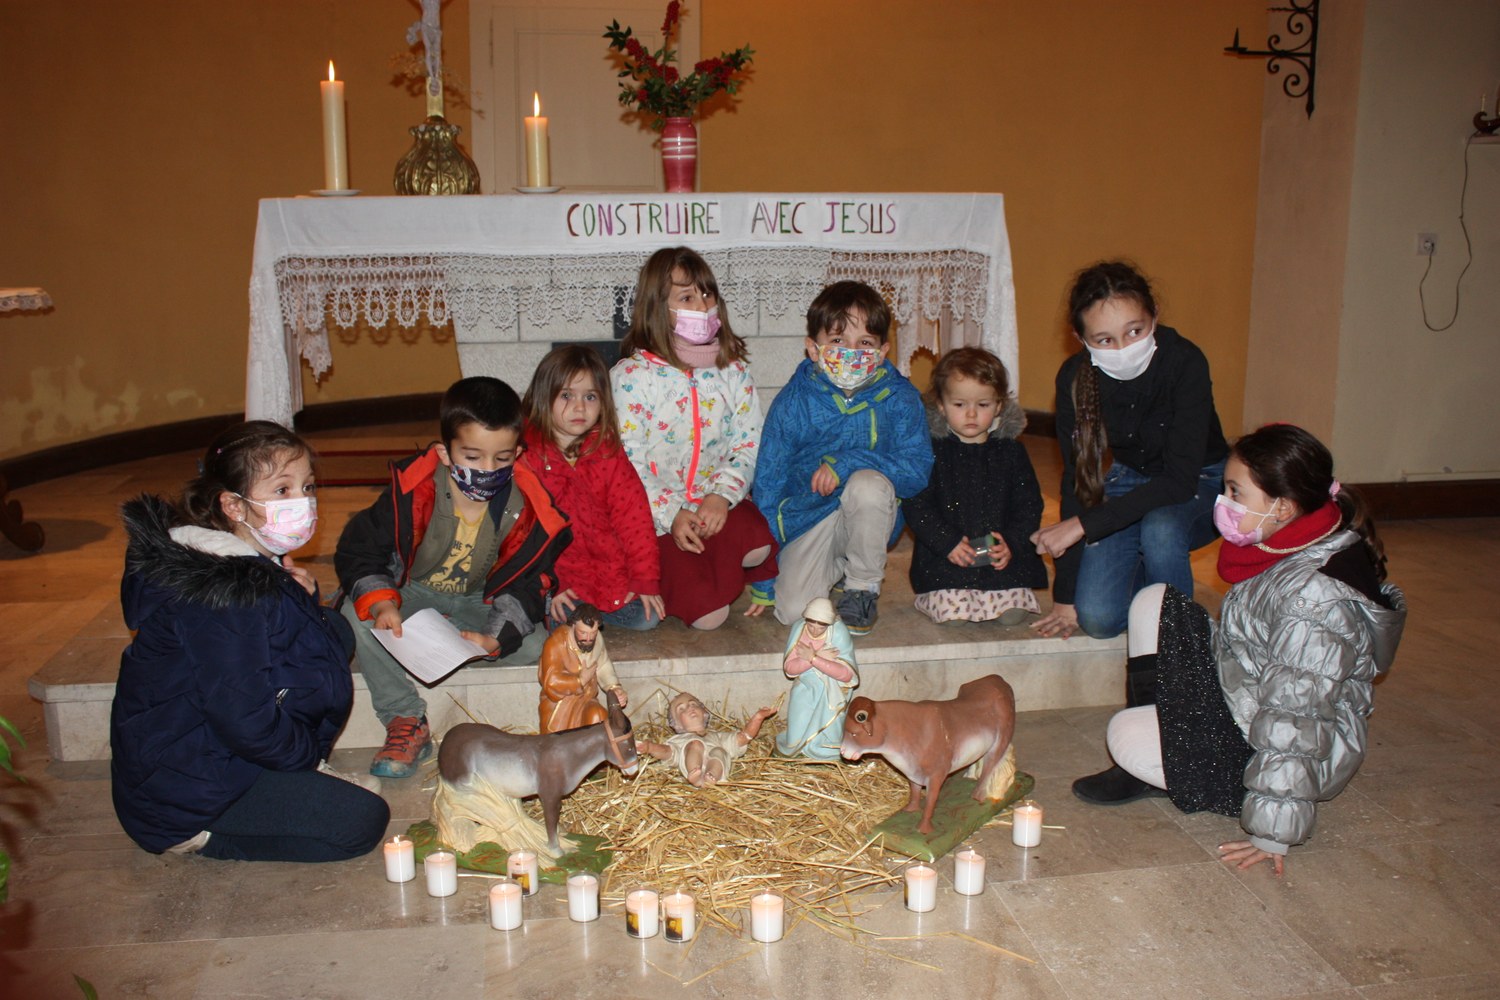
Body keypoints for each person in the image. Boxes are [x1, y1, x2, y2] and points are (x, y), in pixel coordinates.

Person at [1073, 424, 1407, 876]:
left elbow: (1297, 718)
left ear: (1282, 506)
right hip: (1246, 691)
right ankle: (1166, 747)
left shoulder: (1314, 600)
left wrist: (1272, 832)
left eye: (1236, 492)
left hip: (1280, 747)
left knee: (1126, 736)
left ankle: (1170, 761)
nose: (1224, 502)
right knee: (1154, 602)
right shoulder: (1289, 538)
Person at [111, 421, 389, 861]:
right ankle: (204, 837)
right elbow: (243, 718)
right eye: (282, 490)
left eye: (307, 486)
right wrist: (304, 758)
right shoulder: (223, 594)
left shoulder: (234, 562)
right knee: (362, 822)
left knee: (330, 629)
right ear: (234, 506)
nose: (303, 501)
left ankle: (291, 774)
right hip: (183, 788)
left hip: (212, 745)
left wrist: (297, 597)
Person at [336, 377, 570, 778]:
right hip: (413, 590)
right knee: (355, 617)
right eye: (473, 457)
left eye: (502, 458)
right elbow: (360, 549)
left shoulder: (526, 506)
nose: (488, 470)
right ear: (446, 452)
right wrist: (383, 602)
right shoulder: (413, 490)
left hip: (479, 599)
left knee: (536, 645)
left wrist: (495, 637)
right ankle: (405, 716)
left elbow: (529, 581)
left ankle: (448, 640)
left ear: (517, 453)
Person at [1030, 261, 1228, 640]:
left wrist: (1086, 525)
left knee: (1160, 529)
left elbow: (1178, 481)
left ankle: (1176, 641)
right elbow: (1078, 480)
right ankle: (1146, 572)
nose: (1123, 349)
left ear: (1155, 315)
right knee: (1098, 619)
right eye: (1104, 340)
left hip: (1199, 478)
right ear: (1080, 338)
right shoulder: (1074, 378)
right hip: (1131, 478)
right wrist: (1066, 596)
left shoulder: (1185, 362)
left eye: (1135, 331)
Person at [610, 246, 777, 630]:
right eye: (686, 298)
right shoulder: (631, 378)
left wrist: (721, 496)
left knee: (758, 544)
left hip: (713, 505)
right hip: (656, 519)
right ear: (658, 307)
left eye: (706, 293)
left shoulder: (733, 371)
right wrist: (671, 513)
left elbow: (748, 441)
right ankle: (693, 571)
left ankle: (715, 562)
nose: (702, 305)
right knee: (709, 618)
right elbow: (627, 464)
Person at [753, 280, 934, 634]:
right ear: (813, 348)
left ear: (882, 352)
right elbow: (768, 484)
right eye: (837, 341)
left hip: (871, 515)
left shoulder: (900, 398)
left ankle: (862, 588)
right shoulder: (792, 402)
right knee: (794, 613)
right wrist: (764, 575)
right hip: (809, 518)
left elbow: (917, 470)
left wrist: (848, 462)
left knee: (866, 484)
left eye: (864, 343)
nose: (851, 352)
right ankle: (838, 568)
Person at [521, 343, 663, 630]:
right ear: (543, 397)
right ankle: (560, 610)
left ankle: (589, 616)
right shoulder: (528, 458)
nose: (579, 407)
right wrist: (550, 584)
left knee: (646, 618)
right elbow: (523, 533)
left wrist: (643, 580)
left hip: (607, 573)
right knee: (560, 618)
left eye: (590, 397)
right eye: (566, 395)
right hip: (559, 578)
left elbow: (634, 519)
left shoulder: (607, 451)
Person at [902, 346, 1048, 624]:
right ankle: (946, 598)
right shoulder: (931, 451)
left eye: (983, 405)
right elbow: (917, 504)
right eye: (959, 405)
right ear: (941, 405)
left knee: (1012, 614)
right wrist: (946, 542)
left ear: (999, 405)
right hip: (947, 558)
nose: (971, 415)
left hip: (998, 557)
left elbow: (1029, 504)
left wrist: (1011, 542)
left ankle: (1000, 595)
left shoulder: (1011, 451)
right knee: (954, 615)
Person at [775, 598, 859, 760]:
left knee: (829, 731)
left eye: (821, 627)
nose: (814, 631)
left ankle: (825, 752)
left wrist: (813, 658)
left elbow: (846, 675)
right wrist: (818, 656)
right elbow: (790, 668)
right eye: (811, 625)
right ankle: (799, 750)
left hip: (832, 689)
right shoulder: (799, 629)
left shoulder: (838, 633)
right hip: (805, 686)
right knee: (797, 728)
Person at [635, 693, 778, 787]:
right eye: (681, 709)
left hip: (715, 774)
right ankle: (696, 774)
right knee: (695, 744)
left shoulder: (717, 736)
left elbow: (744, 737)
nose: (690, 708)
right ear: (676, 724)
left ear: (704, 712)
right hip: (692, 768)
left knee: (719, 751)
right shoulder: (679, 740)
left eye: (693, 704)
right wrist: (650, 747)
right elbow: (667, 752)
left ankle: (712, 776)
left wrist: (758, 718)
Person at [537, 603, 630, 734]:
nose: (588, 638)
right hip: (560, 706)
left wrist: (614, 688)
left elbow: (603, 665)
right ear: (573, 625)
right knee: (560, 739)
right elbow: (550, 681)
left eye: (593, 633)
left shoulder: (596, 640)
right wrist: (580, 680)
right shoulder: (555, 643)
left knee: (598, 716)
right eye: (583, 633)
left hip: (586, 699)